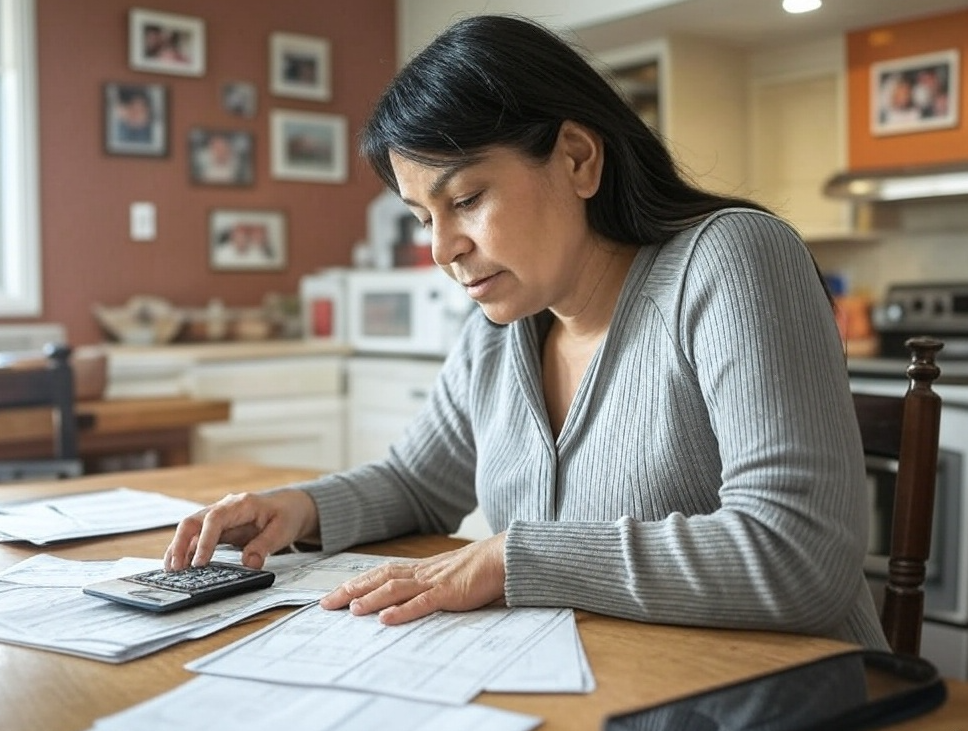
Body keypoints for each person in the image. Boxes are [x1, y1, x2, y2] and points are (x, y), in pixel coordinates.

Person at [165, 14, 888, 651]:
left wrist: (512, 558)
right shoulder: (499, 323)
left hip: (778, 698)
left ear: (577, 157)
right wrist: (296, 509)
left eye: (467, 199)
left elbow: (800, 557)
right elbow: (418, 481)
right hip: (603, 685)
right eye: (423, 218)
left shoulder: (730, 259)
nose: (442, 247)